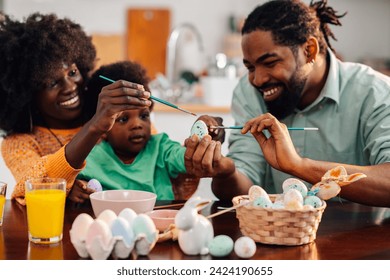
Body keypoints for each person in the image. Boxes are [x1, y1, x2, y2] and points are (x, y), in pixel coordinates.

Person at [184, 0, 390, 207]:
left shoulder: (374, 92)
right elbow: (244, 187)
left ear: (309, 50)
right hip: (275, 235)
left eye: (270, 63)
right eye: (250, 67)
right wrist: (225, 173)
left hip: (363, 236)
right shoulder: (249, 93)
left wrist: (298, 166)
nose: (258, 79)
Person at [0, 13, 152, 205]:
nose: (70, 86)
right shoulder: (19, 143)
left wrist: (193, 151)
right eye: (52, 82)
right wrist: (94, 128)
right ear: (28, 94)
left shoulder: (113, 114)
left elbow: (159, 158)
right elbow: (32, 185)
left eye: (72, 72)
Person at [78, 60, 206, 200]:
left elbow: (185, 156)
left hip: (159, 220)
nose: (137, 124)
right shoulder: (91, 158)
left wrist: (201, 141)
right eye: (124, 119)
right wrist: (77, 188)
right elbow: (67, 182)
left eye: (144, 115)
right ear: (102, 127)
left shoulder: (161, 147)